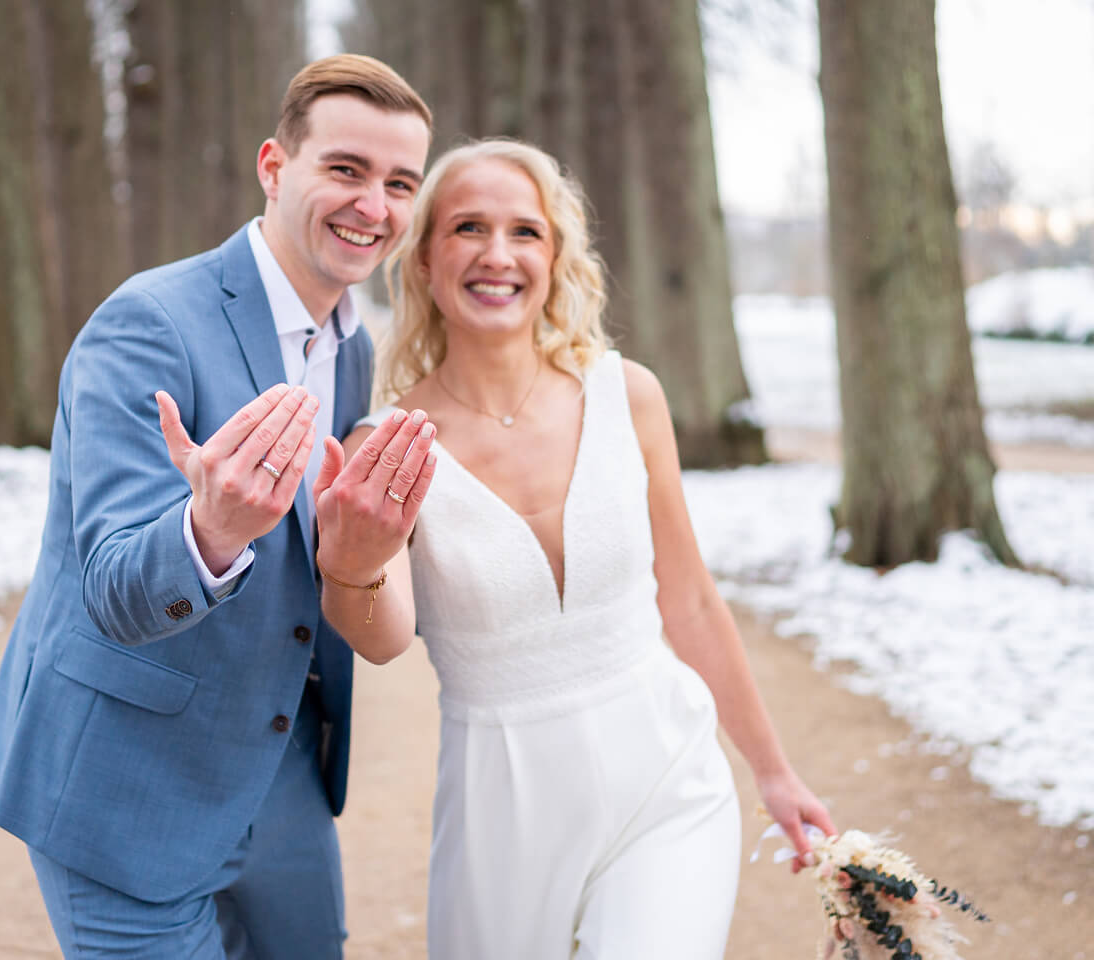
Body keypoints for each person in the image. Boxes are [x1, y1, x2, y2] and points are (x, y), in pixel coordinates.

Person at [313, 138, 837, 959]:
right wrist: (354, 560)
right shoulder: (387, 442)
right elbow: (379, 640)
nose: (498, 254)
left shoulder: (628, 395)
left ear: (555, 257)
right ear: (421, 261)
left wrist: (773, 772)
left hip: (667, 779)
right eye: (468, 229)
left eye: (525, 231)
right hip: (502, 809)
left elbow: (690, 600)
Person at [0, 55, 437, 959]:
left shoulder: (353, 350)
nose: (373, 206)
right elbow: (112, 585)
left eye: (399, 183)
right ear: (274, 167)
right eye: (345, 170)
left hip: (278, 766)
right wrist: (209, 531)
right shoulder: (146, 322)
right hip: (125, 781)